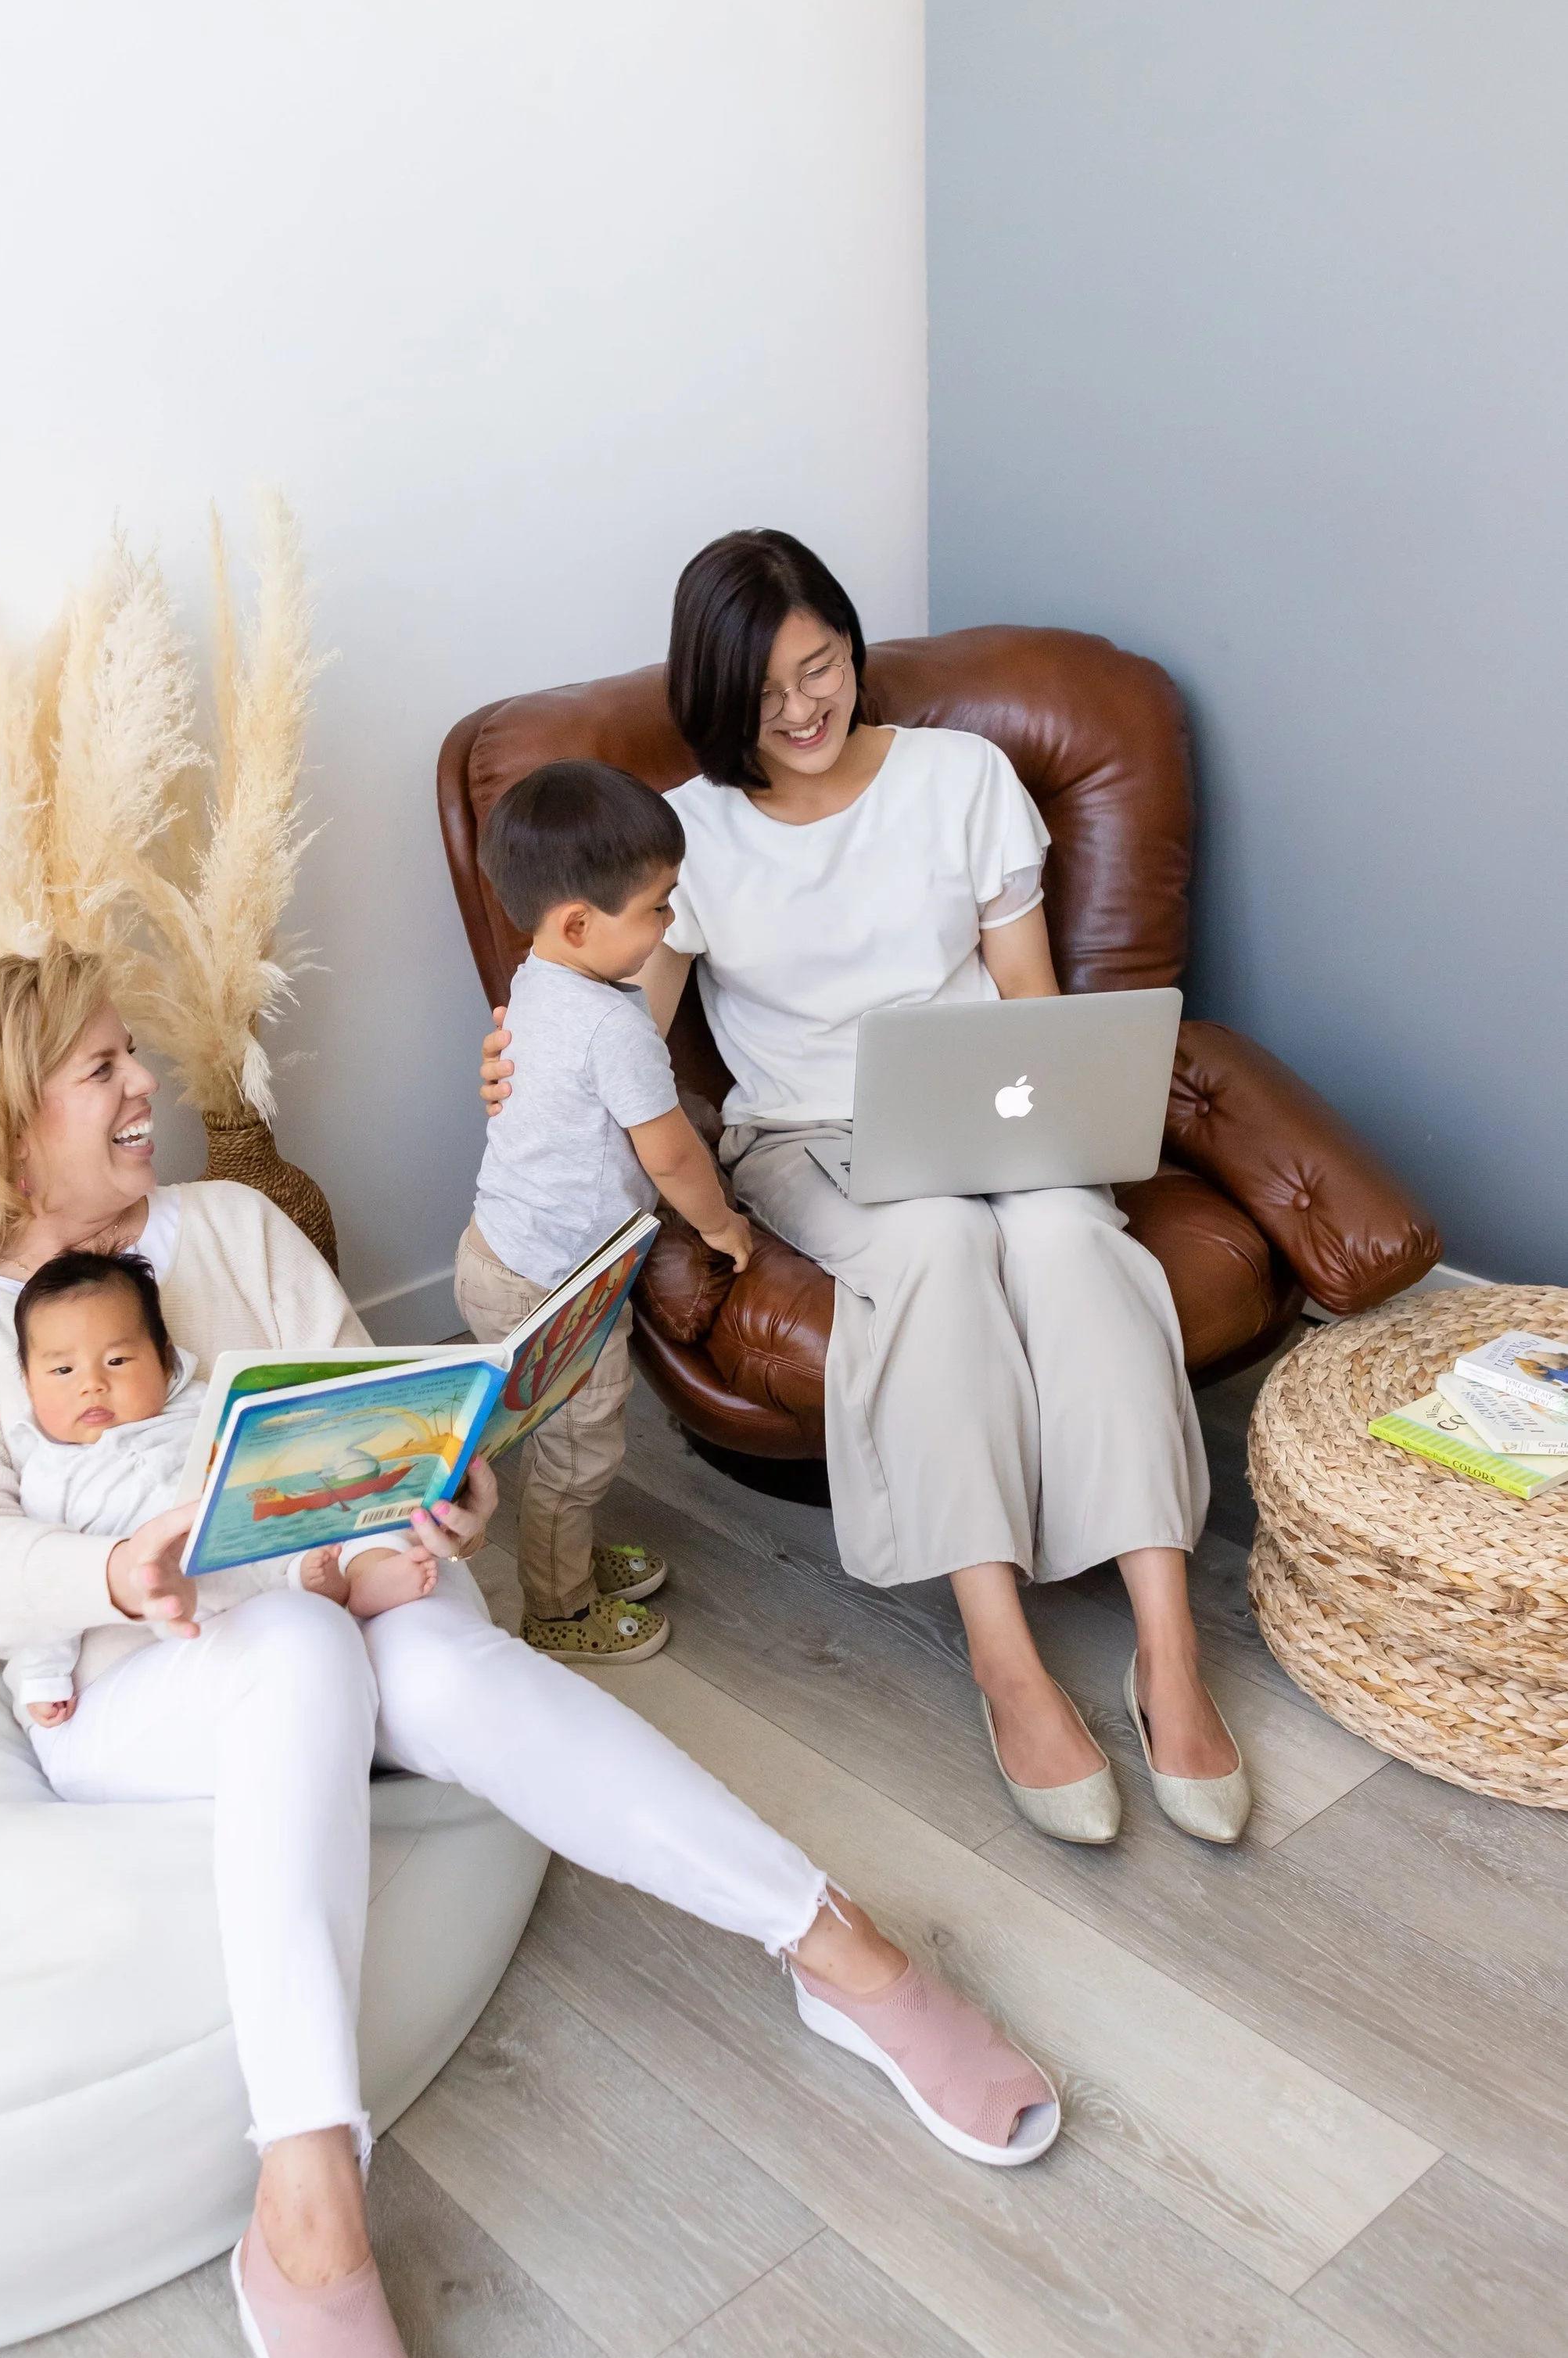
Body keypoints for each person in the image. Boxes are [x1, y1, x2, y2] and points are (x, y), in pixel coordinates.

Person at [0, 947, 1060, 2358]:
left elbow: (361, 1410)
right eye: (100, 1069)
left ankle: (830, 1946)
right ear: (4, 1117)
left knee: (443, 1681)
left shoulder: (226, 1226)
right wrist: (111, 1570)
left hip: (341, 1593)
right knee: (291, 1646)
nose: (143, 1085)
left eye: (132, 1053)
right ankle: (307, 2216)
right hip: (141, 1672)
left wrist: (447, 1490)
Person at [485, 530, 1250, 1850]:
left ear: (852, 646)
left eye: (821, 668)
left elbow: (1028, 996)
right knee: (935, 1257)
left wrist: (1059, 1122)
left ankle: (1168, 1649)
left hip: (990, 1098)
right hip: (808, 1137)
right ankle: (1006, 1656)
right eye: (764, 696)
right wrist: (527, 1039)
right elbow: (627, 1016)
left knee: (1074, 1244)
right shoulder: (698, 835)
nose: (801, 712)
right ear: (718, 707)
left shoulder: (964, 778)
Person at [457, 759, 753, 1661]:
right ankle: (559, 1607)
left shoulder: (537, 983)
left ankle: (563, 1558)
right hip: (556, 1290)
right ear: (579, 922)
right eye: (658, 907)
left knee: (558, 1444)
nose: (669, 923)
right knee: (578, 1454)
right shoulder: (614, 1027)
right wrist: (720, 1226)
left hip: (496, 1253)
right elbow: (667, 1152)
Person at [3, 1247, 435, 1728]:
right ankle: (320, 1595)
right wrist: (43, 1677)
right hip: (202, 1605)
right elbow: (48, 1585)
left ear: (163, 1360)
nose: (93, 1385)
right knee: (216, 1614)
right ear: (27, 1382)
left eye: (118, 1359)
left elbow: (274, 1445)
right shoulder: (50, 1476)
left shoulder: (204, 1405)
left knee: (359, 1501)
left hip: (283, 1531)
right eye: (63, 1370)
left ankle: (364, 1575)